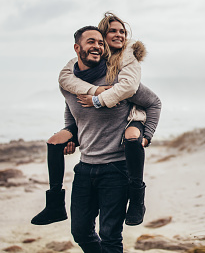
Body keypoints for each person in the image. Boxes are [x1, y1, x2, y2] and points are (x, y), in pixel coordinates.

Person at [31, 13, 161, 230]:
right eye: (93, 41)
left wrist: (147, 135)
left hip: (116, 167)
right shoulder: (71, 78)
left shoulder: (120, 75)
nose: (98, 46)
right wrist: (73, 134)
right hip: (85, 169)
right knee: (55, 141)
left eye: (99, 42)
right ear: (77, 48)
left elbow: (153, 101)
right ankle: (54, 204)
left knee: (110, 236)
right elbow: (70, 106)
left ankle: (137, 197)